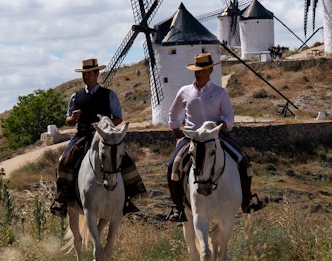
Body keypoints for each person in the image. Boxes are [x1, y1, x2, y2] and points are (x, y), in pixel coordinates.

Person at [165, 52, 264, 222]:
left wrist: (221, 125)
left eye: (202, 70)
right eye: (196, 70)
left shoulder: (220, 93)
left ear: (210, 70)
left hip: (216, 136)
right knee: (172, 165)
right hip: (192, 137)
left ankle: (247, 199)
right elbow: (173, 114)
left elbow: (229, 118)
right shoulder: (184, 91)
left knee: (243, 159)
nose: (199, 73)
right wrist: (178, 134)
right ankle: (177, 207)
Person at [49, 58, 144, 217]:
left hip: (105, 137)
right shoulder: (76, 96)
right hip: (82, 135)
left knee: (125, 159)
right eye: (84, 74)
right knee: (63, 160)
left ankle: (128, 199)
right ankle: (62, 199)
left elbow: (118, 118)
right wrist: (73, 118)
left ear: (96, 74)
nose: (86, 77)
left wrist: (103, 126)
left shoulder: (109, 95)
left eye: (89, 74)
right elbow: (68, 121)